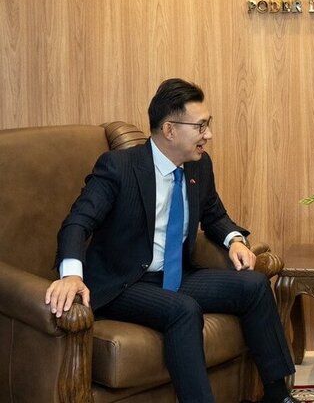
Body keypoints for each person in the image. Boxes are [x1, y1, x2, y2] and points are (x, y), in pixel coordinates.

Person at [45, 78, 299, 403]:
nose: (209, 135)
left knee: (255, 285)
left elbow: (214, 214)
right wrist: (71, 275)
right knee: (184, 310)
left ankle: (277, 395)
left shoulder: (198, 165)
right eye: (201, 126)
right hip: (124, 282)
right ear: (169, 130)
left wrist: (235, 240)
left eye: (208, 124)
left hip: (176, 275)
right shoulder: (120, 167)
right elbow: (78, 221)